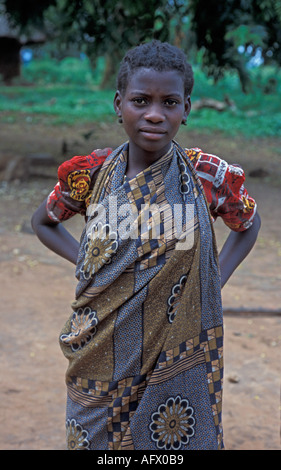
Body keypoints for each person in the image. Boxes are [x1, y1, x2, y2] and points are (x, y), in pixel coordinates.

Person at [31, 40, 261, 451]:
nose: (154, 114)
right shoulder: (92, 174)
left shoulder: (206, 175)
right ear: (119, 105)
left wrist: (212, 279)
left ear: (186, 109)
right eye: (141, 100)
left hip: (178, 347)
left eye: (169, 102)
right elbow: (43, 222)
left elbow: (248, 223)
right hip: (101, 348)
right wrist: (85, 263)